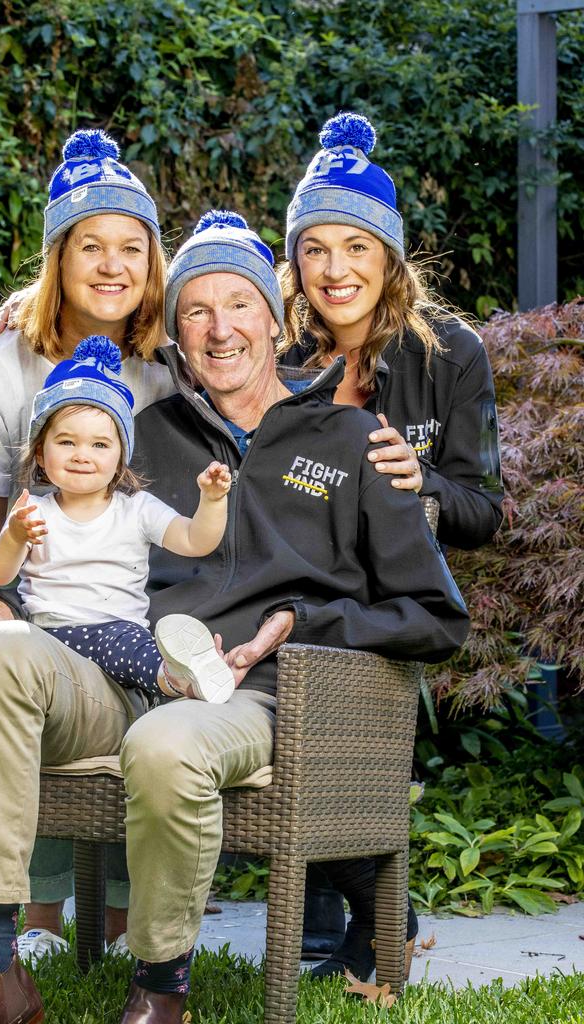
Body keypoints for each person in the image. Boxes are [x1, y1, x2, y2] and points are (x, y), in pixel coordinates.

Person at [117, 210, 470, 1021]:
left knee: (167, 744)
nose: (218, 329)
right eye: (195, 312)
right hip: (149, 672)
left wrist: (299, 625)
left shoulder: (352, 441)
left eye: (238, 304)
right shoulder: (145, 438)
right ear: (176, 337)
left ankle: (158, 989)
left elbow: (435, 617)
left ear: (275, 322)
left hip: (280, 694)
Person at [0, 127, 177, 960]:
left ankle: (122, 936)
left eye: (130, 248)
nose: (111, 265)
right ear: (56, 258)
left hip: (154, 609)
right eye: (89, 246)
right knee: (11, 644)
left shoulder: (172, 362)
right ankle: (24, 931)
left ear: (152, 263)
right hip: (39, 604)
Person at [276, 112, 504, 974]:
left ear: (390, 255)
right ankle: (361, 907)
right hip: (298, 591)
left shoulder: (454, 356)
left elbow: (485, 507)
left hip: (401, 602)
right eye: (315, 249)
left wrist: (421, 492)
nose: (335, 270)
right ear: (294, 260)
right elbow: (182, 316)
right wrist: (27, 313)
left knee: (319, 685)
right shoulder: (280, 351)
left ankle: (360, 908)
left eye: (356, 246)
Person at [0, 334, 235, 705]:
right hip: (48, 638)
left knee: (135, 650)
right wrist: (14, 537)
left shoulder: (137, 510)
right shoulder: (33, 514)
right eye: (66, 442)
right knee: (16, 647)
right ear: (39, 452)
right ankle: (177, 675)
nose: (82, 455)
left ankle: (181, 678)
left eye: (100, 445)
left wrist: (212, 501)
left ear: (121, 457)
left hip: (117, 635)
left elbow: (197, 541)